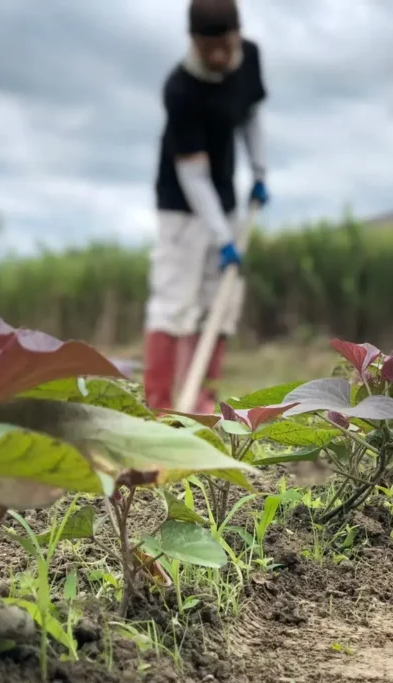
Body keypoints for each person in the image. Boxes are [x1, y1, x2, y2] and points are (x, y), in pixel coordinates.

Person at [142, 0, 269, 413]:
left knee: (221, 301)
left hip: (227, 198)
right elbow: (193, 177)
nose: (218, 57)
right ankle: (161, 407)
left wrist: (260, 171)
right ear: (193, 41)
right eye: (207, 47)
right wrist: (221, 236)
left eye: (225, 46)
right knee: (175, 302)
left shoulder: (248, 57)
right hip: (181, 206)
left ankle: (201, 404)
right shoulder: (180, 89)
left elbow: (250, 115)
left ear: (237, 35)